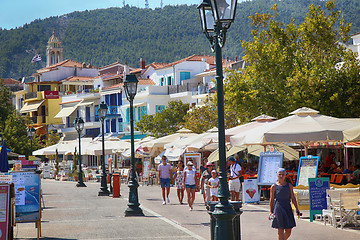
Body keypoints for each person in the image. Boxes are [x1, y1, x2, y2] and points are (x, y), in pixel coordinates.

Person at [269, 168, 301, 240]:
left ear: (285, 175)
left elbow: (293, 197)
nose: (281, 176)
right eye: (279, 174)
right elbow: (271, 199)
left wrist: (297, 209)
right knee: (280, 229)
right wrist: (270, 211)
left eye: (283, 174)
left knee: (289, 230)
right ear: (277, 175)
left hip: (287, 207)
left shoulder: (289, 186)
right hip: (278, 208)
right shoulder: (274, 186)